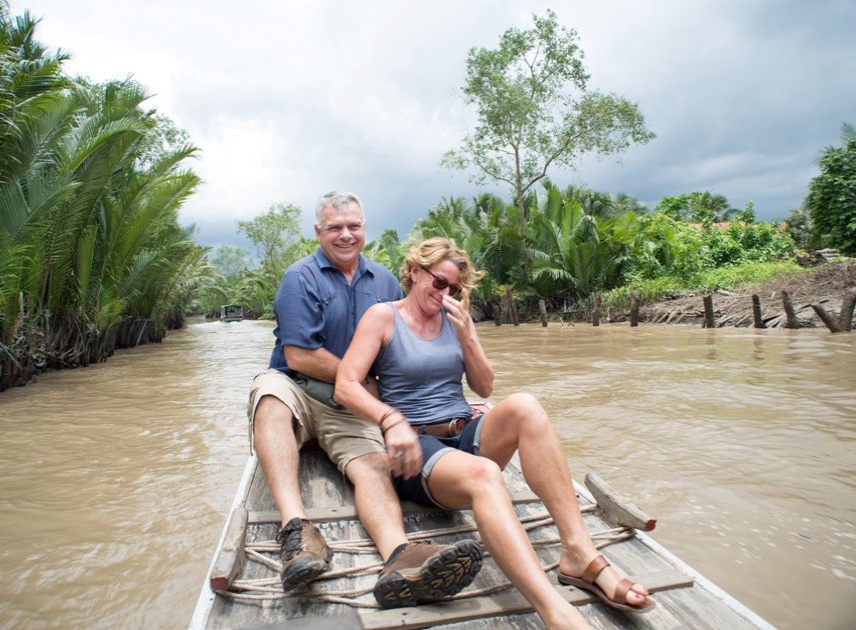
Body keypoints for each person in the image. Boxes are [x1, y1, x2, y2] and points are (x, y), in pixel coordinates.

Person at [334, 237, 654, 629]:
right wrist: (390, 421)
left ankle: (578, 552)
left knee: (526, 406)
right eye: (438, 282)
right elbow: (345, 385)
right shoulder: (382, 317)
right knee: (485, 474)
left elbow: (484, 388)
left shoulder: (455, 317)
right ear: (414, 272)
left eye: (454, 288)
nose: (445, 293)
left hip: (463, 431)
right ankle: (554, 611)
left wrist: (468, 335)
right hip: (417, 448)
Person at [247, 193, 483, 607]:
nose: (345, 234)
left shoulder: (385, 282)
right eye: (335, 227)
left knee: (374, 465)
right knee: (269, 397)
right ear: (318, 232)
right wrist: (357, 380)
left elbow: (400, 351)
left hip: (353, 401)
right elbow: (298, 355)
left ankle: (399, 554)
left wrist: (430, 408)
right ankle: (295, 530)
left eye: (353, 226)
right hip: (300, 385)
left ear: (364, 229)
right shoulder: (299, 277)